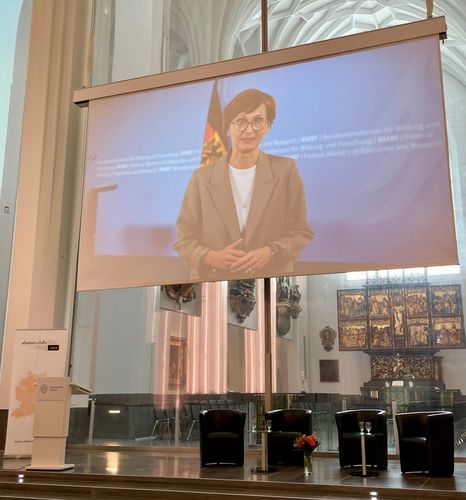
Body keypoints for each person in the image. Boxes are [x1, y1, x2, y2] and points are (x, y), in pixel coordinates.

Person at [174, 88, 313, 280]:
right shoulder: (201, 178)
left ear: (268, 126)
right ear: (228, 128)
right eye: (240, 121)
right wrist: (211, 257)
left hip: (271, 282)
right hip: (215, 283)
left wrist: (270, 252)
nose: (249, 130)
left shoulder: (286, 170)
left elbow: (300, 232)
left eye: (257, 121)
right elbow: (184, 240)